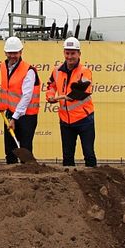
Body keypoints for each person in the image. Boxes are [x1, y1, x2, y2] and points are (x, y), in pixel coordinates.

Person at [46, 37, 96, 167]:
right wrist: (50, 96)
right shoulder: (56, 70)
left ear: (79, 54)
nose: (70, 56)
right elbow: (51, 85)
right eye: (67, 53)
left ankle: (94, 184)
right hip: (65, 121)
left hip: (84, 119)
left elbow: (81, 91)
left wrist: (63, 97)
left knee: (89, 154)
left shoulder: (85, 71)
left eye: (73, 53)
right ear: (64, 53)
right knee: (67, 157)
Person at [0, 36, 40, 164]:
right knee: (10, 150)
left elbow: (26, 96)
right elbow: (7, 89)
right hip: (10, 113)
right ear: (5, 53)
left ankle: (27, 176)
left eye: (15, 53)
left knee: (25, 149)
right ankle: (11, 180)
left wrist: (14, 118)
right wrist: (2, 107)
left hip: (27, 116)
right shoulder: (3, 66)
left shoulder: (29, 71)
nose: (12, 56)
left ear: (21, 52)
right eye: (10, 53)